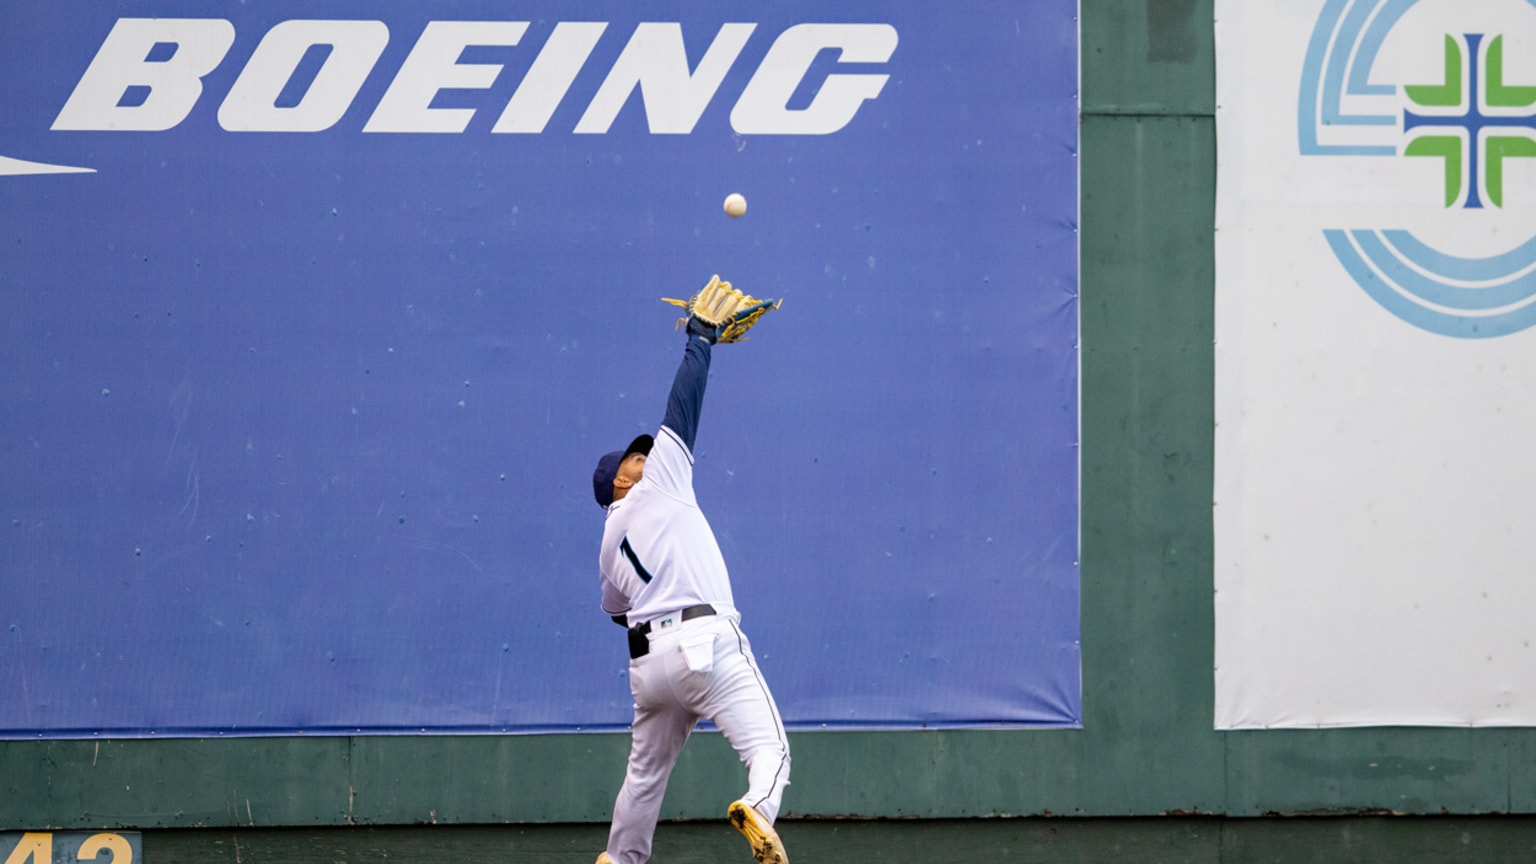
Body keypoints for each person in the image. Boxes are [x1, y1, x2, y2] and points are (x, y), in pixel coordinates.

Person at [590, 308, 791, 864]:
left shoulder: (607, 546)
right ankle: (758, 807)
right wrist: (700, 340)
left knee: (644, 781)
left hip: (649, 668)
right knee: (769, 748)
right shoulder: (660, 481)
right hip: (704, 643)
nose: (646, 454)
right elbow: (684, 405)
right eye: (636, 456)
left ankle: (619, 860)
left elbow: (615, 610)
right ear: (623, 479)